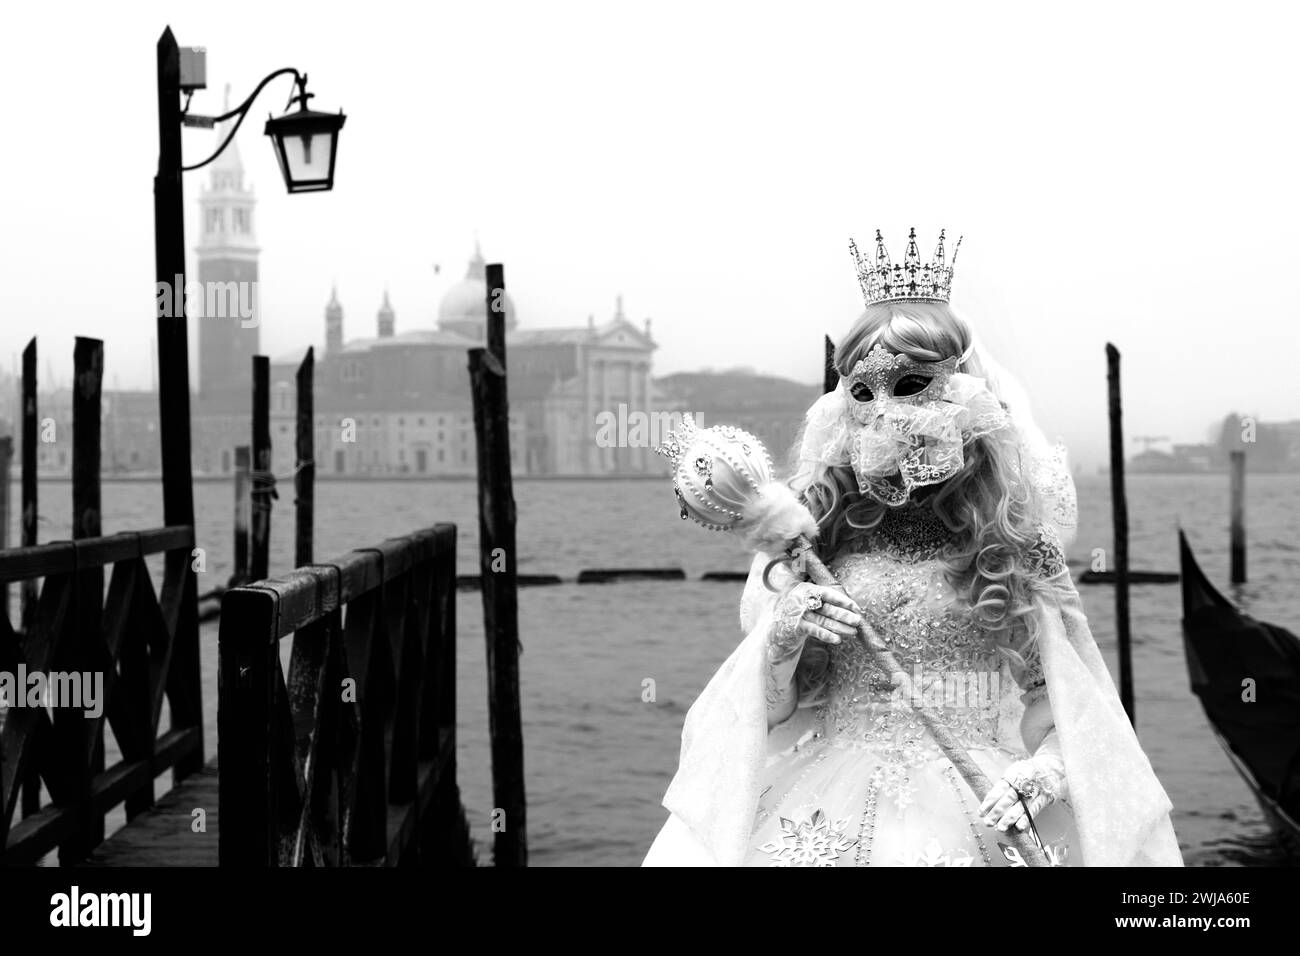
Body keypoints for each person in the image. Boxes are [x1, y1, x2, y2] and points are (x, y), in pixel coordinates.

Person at [642, 228, 1183, 867]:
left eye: (910, 385)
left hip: (979, 804)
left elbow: (1069, 700)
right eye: (863, 391)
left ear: (960, 392)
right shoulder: (819, 530)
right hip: (823, 797)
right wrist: (783, 639)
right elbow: (771, 710)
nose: (884, 414)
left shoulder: (1012, 542)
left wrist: (1043, 775)